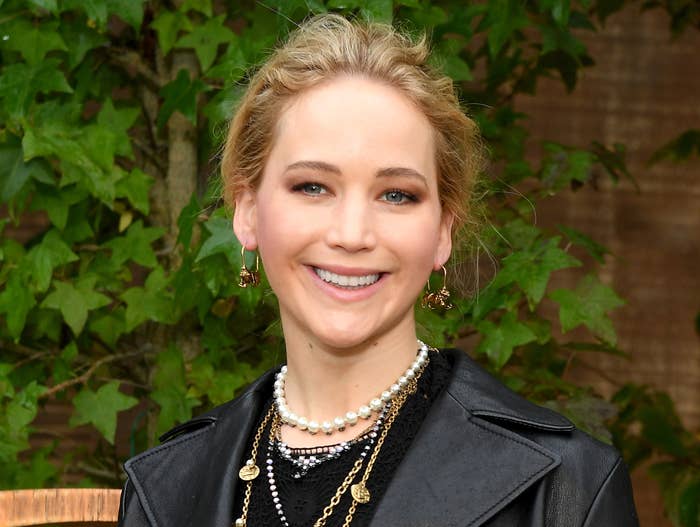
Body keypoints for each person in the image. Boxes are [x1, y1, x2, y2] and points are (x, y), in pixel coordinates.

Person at [118, 14, 639, 527]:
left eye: (397, 195)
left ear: (442, 232)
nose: (352, 233)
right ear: (247, 212)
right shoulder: (166, 486)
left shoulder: (567, 488)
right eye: (312, 187)